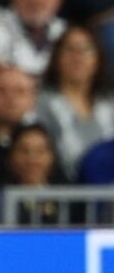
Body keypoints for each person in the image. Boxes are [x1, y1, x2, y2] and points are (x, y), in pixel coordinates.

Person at [35, 26, 114, 179]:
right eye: (70, 49)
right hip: (62, 186)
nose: (78, 57)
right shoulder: (40, 102)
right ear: (56, 57)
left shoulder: (110, 102)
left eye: (86, 50)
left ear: (98, 58)